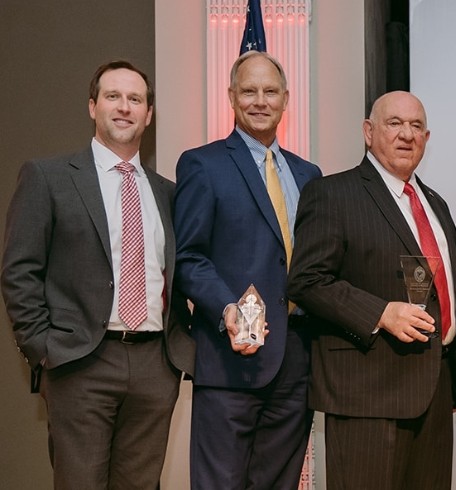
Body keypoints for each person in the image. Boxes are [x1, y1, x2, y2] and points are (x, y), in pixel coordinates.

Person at [1, 60, 194, 489]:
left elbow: (179, 275)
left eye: (135, 99)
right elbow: (19, 271)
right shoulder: (47, 177)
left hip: (154, 366)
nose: (124, 107)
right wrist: (44, 347)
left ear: (148, 114)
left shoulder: (168, 192)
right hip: (80, 363)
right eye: (113, 97)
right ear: (92, 107)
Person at [287, 91, 456, 489]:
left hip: (434, 388)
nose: (406, 135)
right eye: (394, 124)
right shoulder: (333, 194)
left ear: (427, 138)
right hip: (367, 394)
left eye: (416, 126)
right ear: (368, 132)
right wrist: (380, 313)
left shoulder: (435, 204)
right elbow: (306, 281)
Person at [173, 50, 322, 490]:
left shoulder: (309, 175)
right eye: (249, 91)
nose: (260, 100)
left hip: (297, 359)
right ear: (231, 98)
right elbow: (189, 257)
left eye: (270, 91)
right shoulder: (204, 164)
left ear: (286, 99)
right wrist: (226, 309)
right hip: (230, 360)